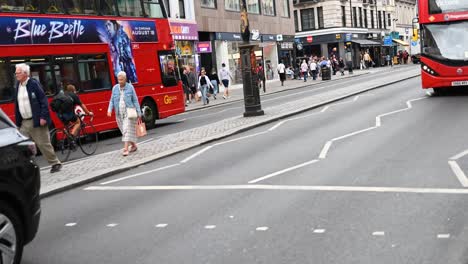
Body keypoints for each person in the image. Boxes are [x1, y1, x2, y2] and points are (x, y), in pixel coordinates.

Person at [14, 63, 62, 173]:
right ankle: (25, 167)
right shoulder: (18, 85)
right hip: (24, 122)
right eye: (16, 72)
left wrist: (43, 117)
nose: (16, 74)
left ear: (25, 73)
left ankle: (55, 163)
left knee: (43, 143)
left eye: (18, 72)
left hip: (36, 120)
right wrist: (17, 122)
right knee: (21, 145)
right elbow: (17, 104)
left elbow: (43, 101)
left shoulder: (33, 84)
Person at [107, 71, 142, 156]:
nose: (120, 81)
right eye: (119, 80)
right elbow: (112, 100)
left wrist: (139, 113)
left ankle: (126, 149)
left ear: (125, 79)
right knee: (124, 131)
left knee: (126, 129)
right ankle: (133, 146)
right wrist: (109, 110)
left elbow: (135, 100)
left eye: (122, 80)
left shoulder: (130, 87)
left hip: (129, 113)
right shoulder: (115, 88)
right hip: (119, 114)